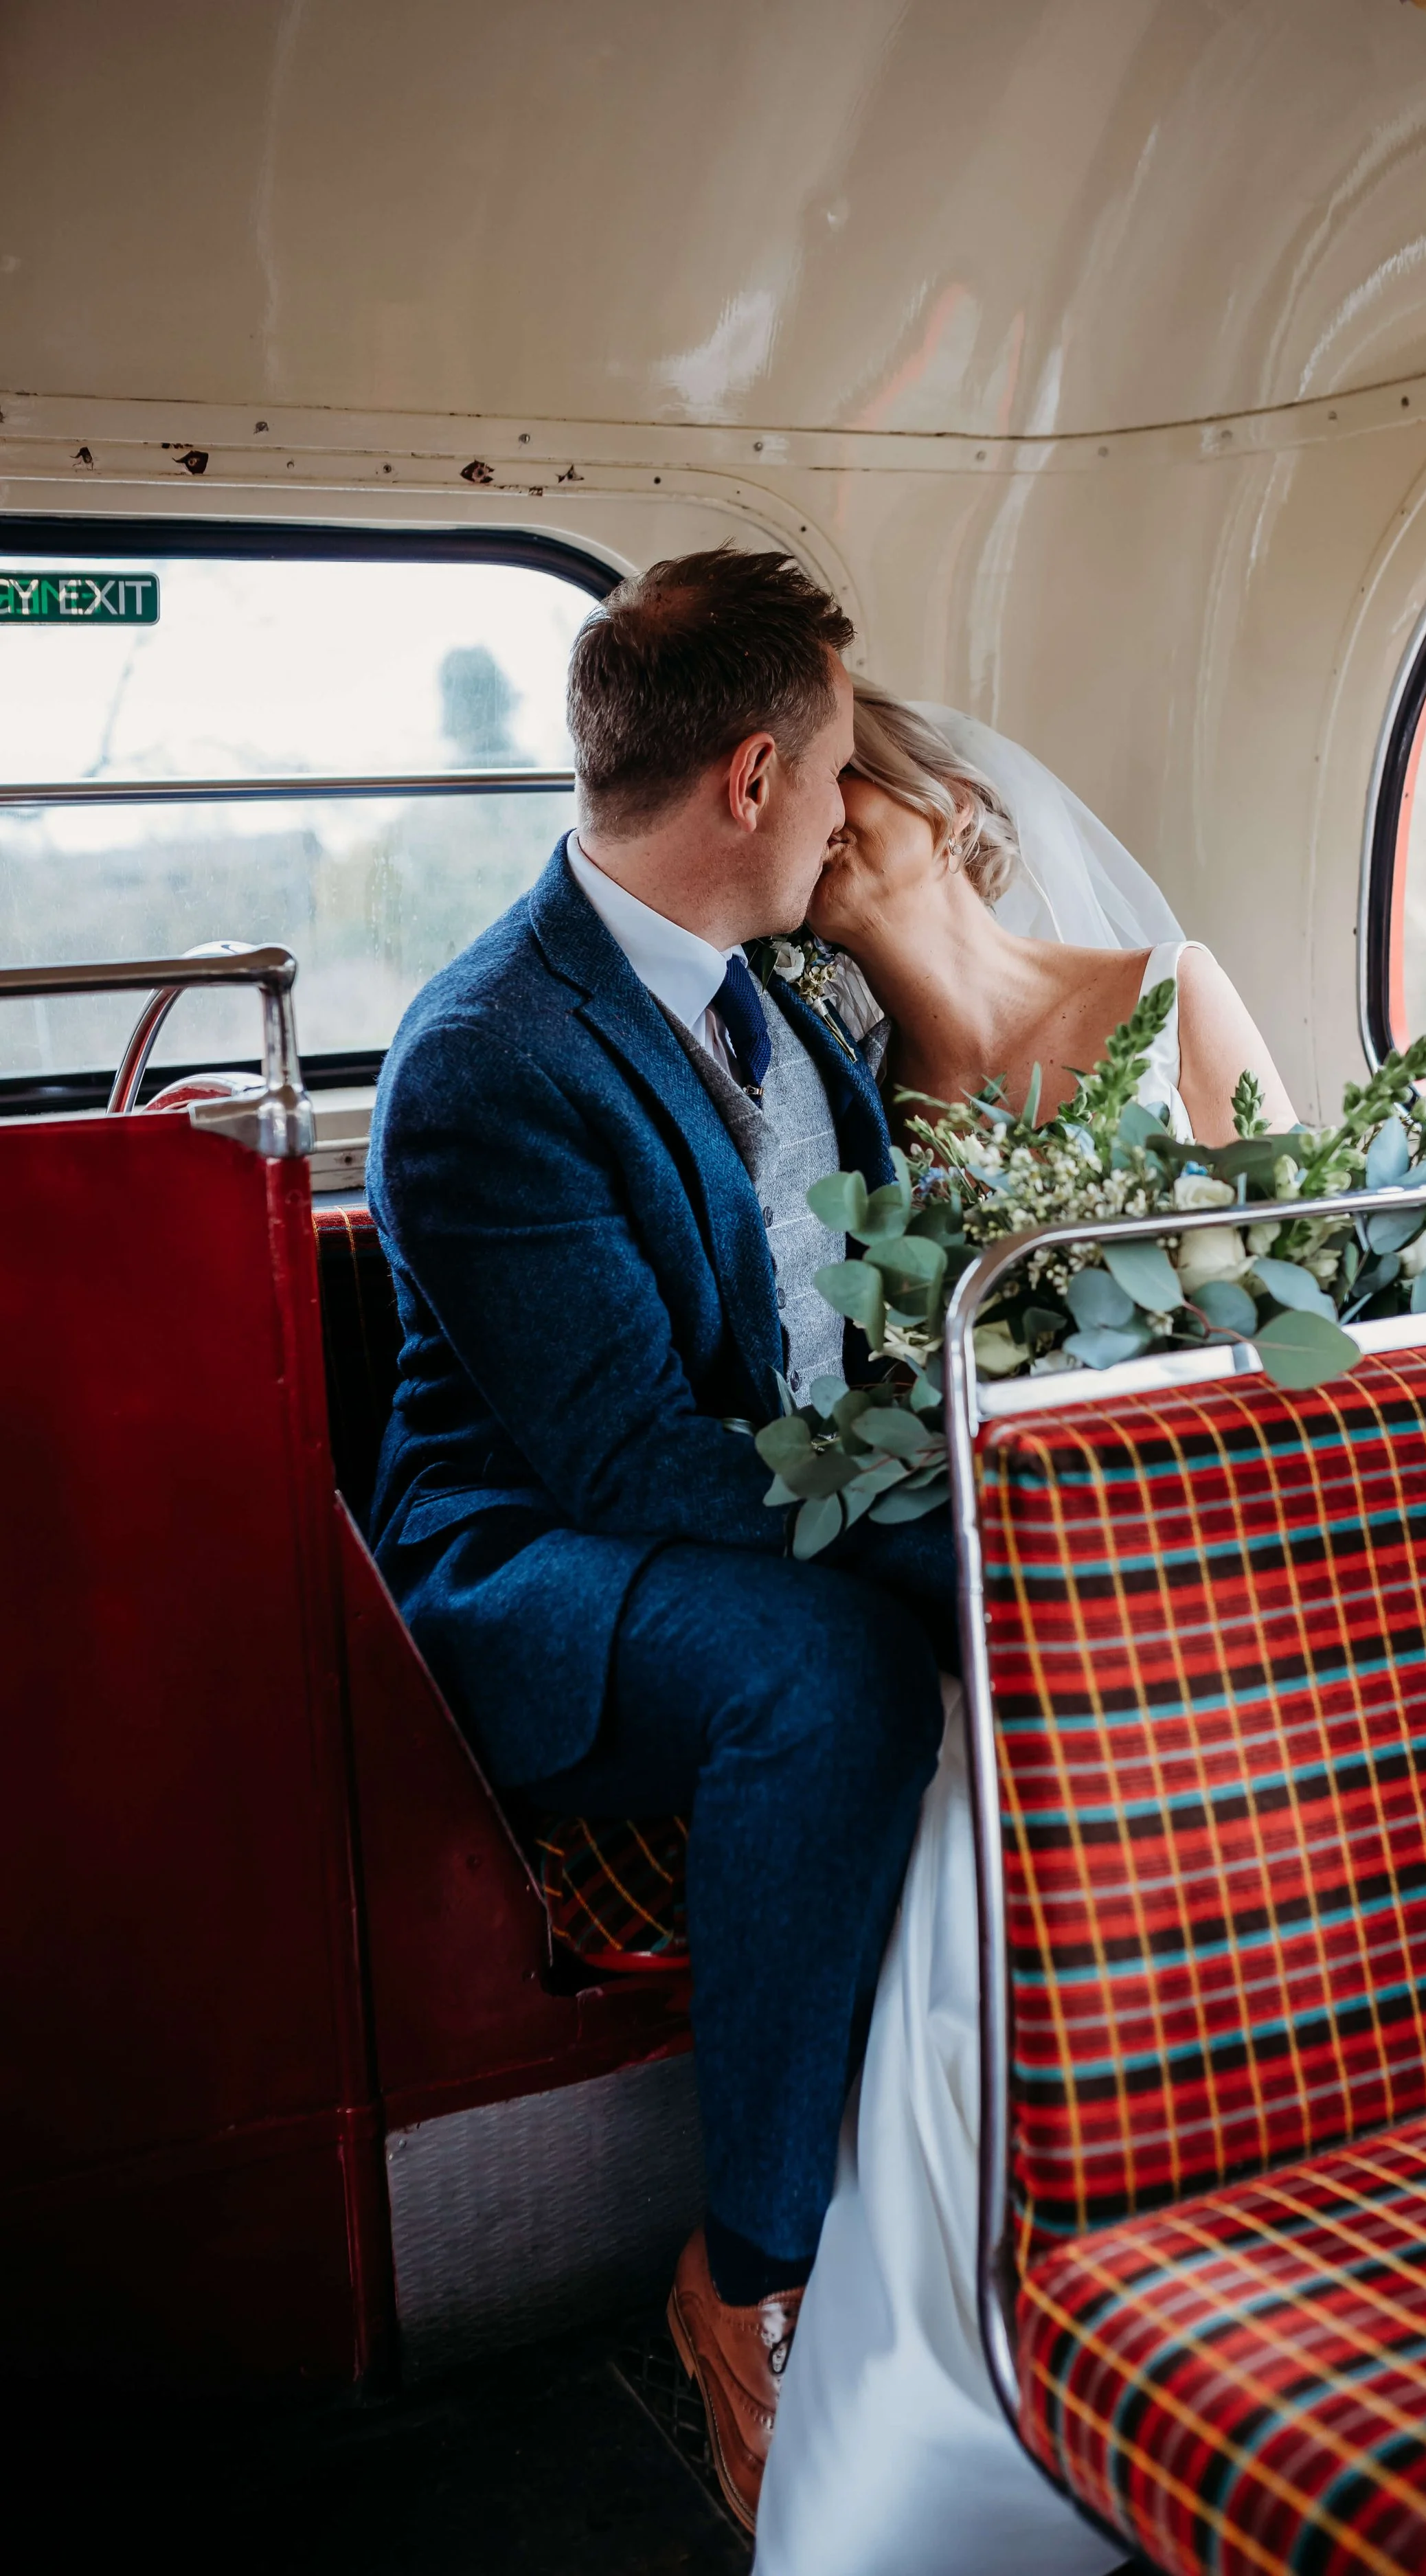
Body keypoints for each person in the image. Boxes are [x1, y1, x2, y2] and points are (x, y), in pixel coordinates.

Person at [365, 554, 956, 2535]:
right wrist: (930, 1526)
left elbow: (849, 1311)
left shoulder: (787, 1005)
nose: (846, 814)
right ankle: (746, 2268)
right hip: (534, 1561)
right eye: (836, 773)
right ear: (753, 773)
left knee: (1041, 1610)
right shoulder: (484, 1057)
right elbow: (619, 1456)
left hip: (741, 1498)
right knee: (836, 1665)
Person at [754, 686, 1293, 2574]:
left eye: (843, 785)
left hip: (1230, 1565)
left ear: (938, 798)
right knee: (952, 1781)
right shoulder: (841, 1113)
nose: (823, 822)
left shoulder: (1163, 990)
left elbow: (1314, 1319)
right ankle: (974, 2361)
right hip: (1012, 1601)